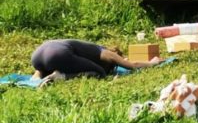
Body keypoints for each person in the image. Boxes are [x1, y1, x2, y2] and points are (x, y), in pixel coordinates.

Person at [31, 39, 161, 81]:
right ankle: (60, 76)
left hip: (37, 55)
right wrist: (152, 62)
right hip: (58, 54)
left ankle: (38, 75)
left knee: (57, 62)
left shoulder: (90, 48)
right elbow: (132, 65)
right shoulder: (105, 52)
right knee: (99, 73)